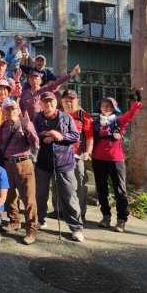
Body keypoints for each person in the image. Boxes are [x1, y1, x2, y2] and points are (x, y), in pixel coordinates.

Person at [33, 91, 84, 242]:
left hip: (65, 162)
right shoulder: (38, 118)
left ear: (56, 103)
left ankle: (76, 228)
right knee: (40, 195)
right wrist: (49, 133)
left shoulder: (67, 118)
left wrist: (58, 136)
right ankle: (41, 220)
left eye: (51, 102)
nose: (48, 105)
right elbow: (34, 134)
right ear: (41, 104)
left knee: (69, 196)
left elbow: (75, 137)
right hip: (43, 162)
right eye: (45, 102)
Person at [92, 90, 142, 233]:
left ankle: (121, 220)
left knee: (120, 191)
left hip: (116, 159)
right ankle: (106, 216)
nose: (105, 107)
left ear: (114, 108)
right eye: (103, 105)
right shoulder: (96, 123)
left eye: (109, 105)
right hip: (98, 159)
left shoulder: (119, 120)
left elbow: (131, 114)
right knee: (102, 190)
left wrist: (136, 103)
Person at [0, 101, 39, 245]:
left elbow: (35, 143)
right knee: (10, 195)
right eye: (8, 110)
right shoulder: (2, 127)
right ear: (4, 112)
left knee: (28, 198)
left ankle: (31, 229)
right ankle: (14, 221)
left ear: (18, 110)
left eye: (13, 109)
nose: (11, 112)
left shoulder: (25, 123)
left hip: (24, 163)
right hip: (8, 164)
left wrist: (27, 127)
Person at [60, 89, 94, 222]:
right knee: (59, 182)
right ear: (61, 101)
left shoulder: (83, 115)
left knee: (80, 182)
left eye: (71, 100)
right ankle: (60, 209)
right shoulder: (58, 114)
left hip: (78, 155)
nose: (69, 103)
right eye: (66, 100)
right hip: (61, 154)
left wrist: (88, 152)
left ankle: (80, 211)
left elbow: (89, 136)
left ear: (77, 101)